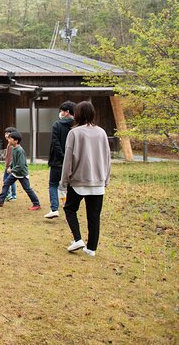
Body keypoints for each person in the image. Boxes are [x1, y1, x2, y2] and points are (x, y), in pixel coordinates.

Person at [61, 101, 111, 257]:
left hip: (78, 181)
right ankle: (91, 249)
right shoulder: (102, 132)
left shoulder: (74, 133)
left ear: (77, 114)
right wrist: (106, 179)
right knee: (94, 216)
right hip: (98, 182)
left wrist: (64, 181)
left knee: (69, 209)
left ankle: (77, 239)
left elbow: (68, 158)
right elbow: (107, 157)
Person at [0, 131, 41, 210]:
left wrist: (12, 170)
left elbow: (20, 165)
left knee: (27, 189)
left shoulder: (19, 150)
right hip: (15, 173)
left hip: (21, 174)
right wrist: (10, 166)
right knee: (6, 183)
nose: (9, 140)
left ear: (16, 141)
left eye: (11, 138)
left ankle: (36, 204)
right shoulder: (13, 148)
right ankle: (0, 200)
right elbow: (14, 161)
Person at [45, 101, 76, 219]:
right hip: (73, 162)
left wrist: (62, 157)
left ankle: (54, 209)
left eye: (62, 111)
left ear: (67, 112)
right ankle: (69, 210)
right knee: (70, 186)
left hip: (57, 161)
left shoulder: (57, 125)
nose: (60, 113)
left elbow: (55, 143)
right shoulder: (77, 125)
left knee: (53, 184)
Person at [2, 126, 18, 202]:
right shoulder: (9, 144)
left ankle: (10, 195)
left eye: (8, 133)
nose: (6, 135)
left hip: (10, 167)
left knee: (8, 181)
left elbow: (12, 158)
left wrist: (10, 167)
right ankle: (11, 195)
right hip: (7, 166)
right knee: (9, 181)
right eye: (5, 133)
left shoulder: (11, 145)